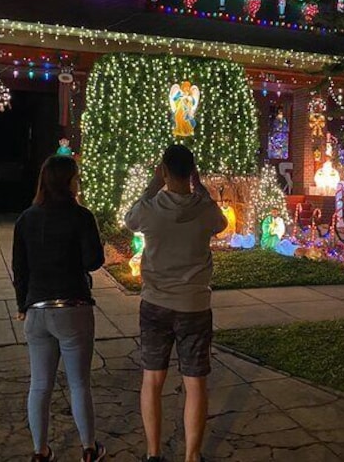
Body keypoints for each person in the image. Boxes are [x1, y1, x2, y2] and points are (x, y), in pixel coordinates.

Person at [124, 145, 228, 462]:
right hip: (195, 305)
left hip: (155, 303)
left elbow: (130, 219)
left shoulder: (150, 210)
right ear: (192, 173)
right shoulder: (205, 211)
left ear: (164, 172)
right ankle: (192, 455)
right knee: (195, 383)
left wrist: (155, 184)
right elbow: (221, 223)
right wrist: (201, 188)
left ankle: (154, 453)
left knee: (152, 380)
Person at [12, 155, 106, 462]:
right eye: (75, 177)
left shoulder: (26, 218)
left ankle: (40, 450)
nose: (78, 182)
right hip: (72, 306)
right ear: (68, 182)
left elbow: (20, 268)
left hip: (36, 308)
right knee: (79, 383)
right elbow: (93, 260)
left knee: (39, 385)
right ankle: (89, 448)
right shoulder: (80, 216)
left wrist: (22, 303)